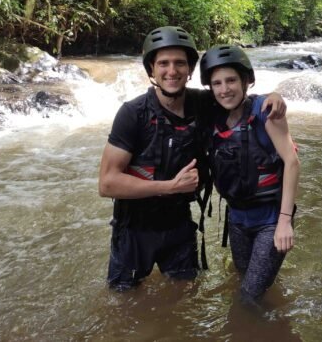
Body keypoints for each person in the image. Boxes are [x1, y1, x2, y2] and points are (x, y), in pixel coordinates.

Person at [98, 26, 285, 291]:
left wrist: (271, 98)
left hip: (179, 226)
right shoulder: (132, 114)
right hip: (133, 229)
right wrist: (168, 187)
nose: (171, 71)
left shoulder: (202, 104)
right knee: (122, 304)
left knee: (183, 298)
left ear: (189, 71)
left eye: (179, 64)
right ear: (151, 69)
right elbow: (106, 183)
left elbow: (236, 95)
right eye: (163, 63)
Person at [199, 45, 300, 303]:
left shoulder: (266, 112)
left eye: (231, 80)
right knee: (243, 278)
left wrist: (285, 221)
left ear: (246, 81)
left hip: (270, 219)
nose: (225, 89)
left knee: (248, 297)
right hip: (237, 219)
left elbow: (292, 162)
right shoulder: (212, 117)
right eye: (217, 83)